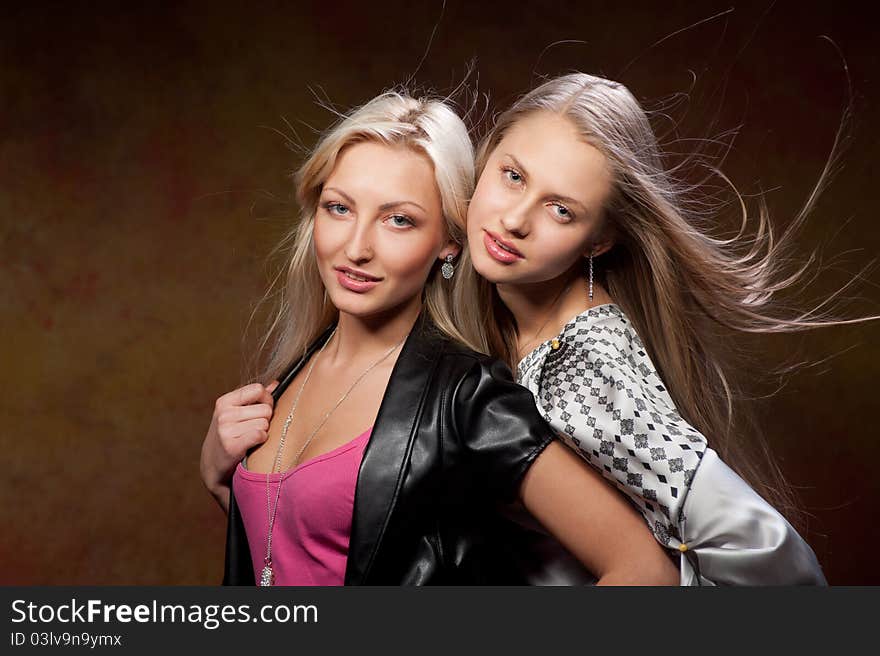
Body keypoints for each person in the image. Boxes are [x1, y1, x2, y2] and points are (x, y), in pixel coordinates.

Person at [199, 90, 678, 585]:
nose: (356, 247)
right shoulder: (291, 376)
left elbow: (646, 570)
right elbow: (298, 557)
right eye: (339, 208)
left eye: (398, 220)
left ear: (450, 241)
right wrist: (220, 478)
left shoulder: (469, 400)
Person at [463, 72, 846, 585]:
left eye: (561, 210)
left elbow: (783, 570)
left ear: (599, 240)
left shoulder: (579, 372)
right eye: (513, 176)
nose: (514, 219)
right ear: (487, 156)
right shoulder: (504, 312)